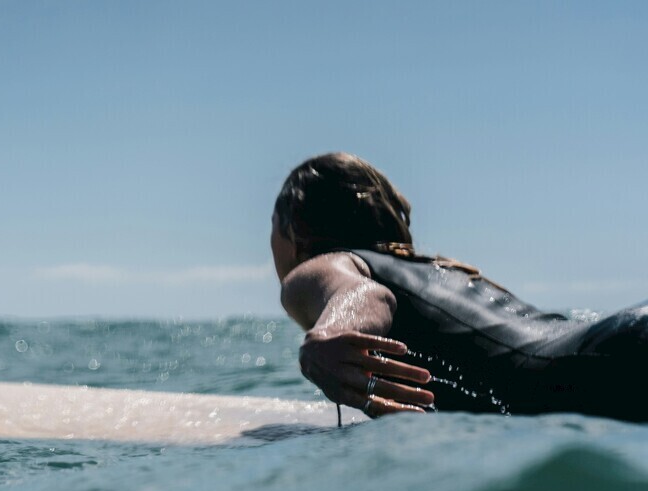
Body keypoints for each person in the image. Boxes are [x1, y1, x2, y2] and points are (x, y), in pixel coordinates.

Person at [272, 152, 648, 422]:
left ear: (293, 236)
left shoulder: (325, 267)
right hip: (622, 338)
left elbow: (367, 296)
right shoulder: (442, 271)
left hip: (605, 373)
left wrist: (329, 335)